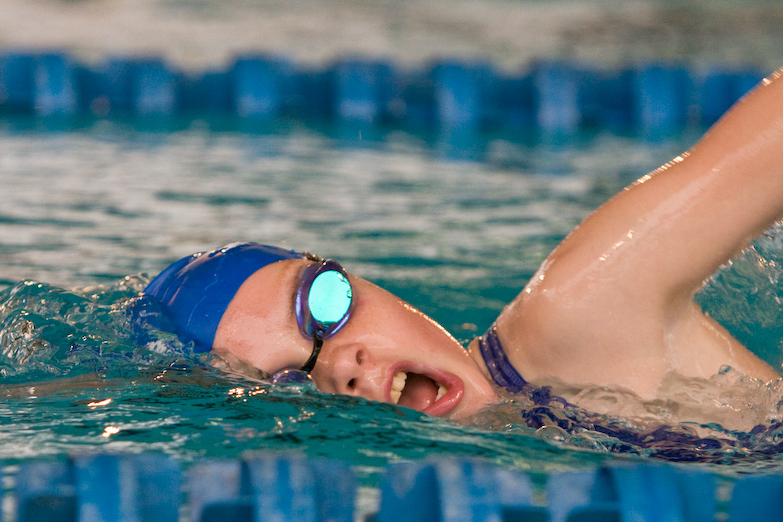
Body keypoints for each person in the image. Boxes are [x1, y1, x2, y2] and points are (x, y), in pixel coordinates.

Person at [132, 68, 783, 425]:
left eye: (323, 304)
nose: (344, 364)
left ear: (362, 281)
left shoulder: (581, 308)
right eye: (287, 380)